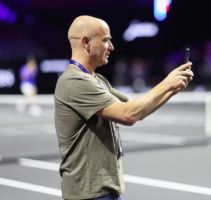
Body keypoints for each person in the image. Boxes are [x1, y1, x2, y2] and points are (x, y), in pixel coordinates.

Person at [54, 15, 193, 200]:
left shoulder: (96, 79)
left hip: (102, 192)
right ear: (86, 42)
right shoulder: (75, 81)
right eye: (106, 40)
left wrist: (172, 89)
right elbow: (129, 115)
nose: (111, 47)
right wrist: (167, 84)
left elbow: (135, 108)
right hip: (88, 195)